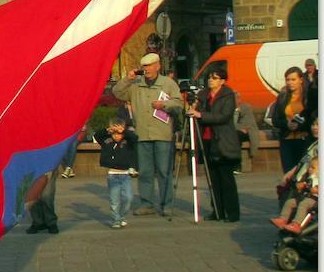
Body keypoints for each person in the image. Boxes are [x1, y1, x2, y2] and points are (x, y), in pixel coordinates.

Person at [113, 52, 182, 219]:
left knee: (164, 171)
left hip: (162, 134)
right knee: (144, 171)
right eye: (144, 66)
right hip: (142, 133)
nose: (147, 69)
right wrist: (127, 79)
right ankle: (147, 204)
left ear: (158, 66)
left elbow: (179, 104)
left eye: (150, 66)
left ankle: (167, 204)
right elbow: (117, 93)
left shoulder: (168, 83)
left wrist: (164, 104)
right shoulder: (136, 84)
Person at [186, 67, 240, 222]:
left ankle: (232, 213)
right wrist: (194, 107)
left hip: (223, 141)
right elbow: (194, 111)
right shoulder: (203, 95)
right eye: (210, 77)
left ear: (222, 81)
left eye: (215, 78)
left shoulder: (228, 95)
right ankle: (217, 210)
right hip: (207, 140)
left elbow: (223, 116)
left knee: (226, 178)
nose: (211, 80)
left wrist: (201, 114)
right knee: (213, 178)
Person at [93, 116, 139, 228]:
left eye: (119, 134)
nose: (117, 136)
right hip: (112, 175)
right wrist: (107, 130)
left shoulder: (128, 141)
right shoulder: (107, 141)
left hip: (125, 175)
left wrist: (124, 131)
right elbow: (97, 135)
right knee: (115, 200)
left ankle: (122, 216)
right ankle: (116, 220)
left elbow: (135, 138)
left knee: (128, 198)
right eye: (114, 134)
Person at [270, 66, 317, 173]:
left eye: (293, 79)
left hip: (305, 140)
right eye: (287, 80)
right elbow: (275, 119)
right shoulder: (282, 97)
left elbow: (313, 118)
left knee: (303, 171)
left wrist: (299, 125)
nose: (290, 82)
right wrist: (287, 124)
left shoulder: (310, 96)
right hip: (287, 140)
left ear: (301, 80)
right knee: (288, 172)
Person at [272, 153, 318, 233]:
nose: (309, 169)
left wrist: (314, 190)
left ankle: (296, 224)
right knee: (290, 202)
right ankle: (283, 219)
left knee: (303, 204)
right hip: (307, 197)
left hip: (315, 200)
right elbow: (301, 186)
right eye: (309, 167)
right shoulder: (310, 177)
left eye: (313, 168)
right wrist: (300, 185)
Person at [234, 102, 260, 173]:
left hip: (245, 133)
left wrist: (239, 128)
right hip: (229, 132)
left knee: (236, 137)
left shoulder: (246, 108)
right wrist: (238, 127)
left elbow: (248, 125)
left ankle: (237, 166)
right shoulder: (225, 108)